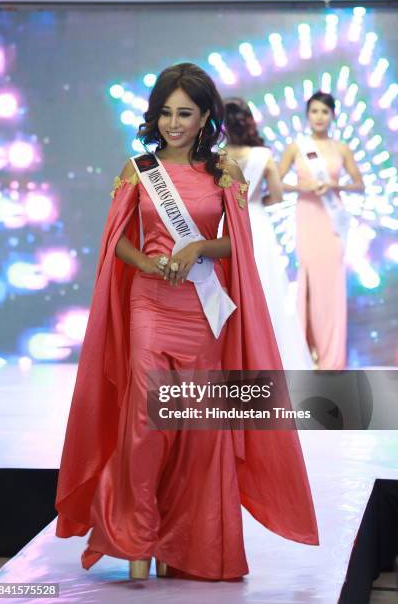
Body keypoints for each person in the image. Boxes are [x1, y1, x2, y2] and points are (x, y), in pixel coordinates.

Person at [55, 63, 318, 582]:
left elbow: (236, 245)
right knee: (144, 425)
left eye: (186, 114)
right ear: (155, 116)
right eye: (166, 113)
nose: (174, 123)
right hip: (149, 306)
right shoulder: (138, 169)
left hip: (202, 312)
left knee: (196, 429)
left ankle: (187, 544)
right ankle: (136, 541)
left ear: (205, 119)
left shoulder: (224, 173)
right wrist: (145, 262)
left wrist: (200, 244)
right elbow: (119, 243)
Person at [223, 97, 313, 369]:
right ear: (248, 121)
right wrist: (256, 203)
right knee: (268, 289)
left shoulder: (216, 157)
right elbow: (276, 195)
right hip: (257, 226)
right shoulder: (263, 156)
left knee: (232, 291)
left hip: (226, 226)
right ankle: (275, 357)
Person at [279, 91, 364, 370]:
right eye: (314, 111)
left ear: (333, 115)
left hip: (332, 220)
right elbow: (276, 183)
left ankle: (331, 356)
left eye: (324, 112)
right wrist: (302, 187)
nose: (319, 117)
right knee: (310, 282)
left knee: (331, 286)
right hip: (308, 217)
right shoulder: (296, 147)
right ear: (307, 114)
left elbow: (359, 184)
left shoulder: (341, 148)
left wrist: (334, 186)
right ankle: (306, 351)